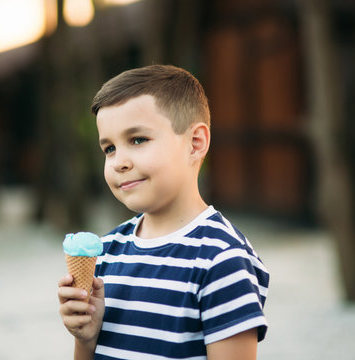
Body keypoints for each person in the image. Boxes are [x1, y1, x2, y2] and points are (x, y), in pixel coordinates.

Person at [58, 64, 269, 360]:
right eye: (109, 148)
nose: (119, 162)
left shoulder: (221, 259)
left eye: (137, 140)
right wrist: (86, 338)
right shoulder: (105, 253)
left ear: (195, 143)